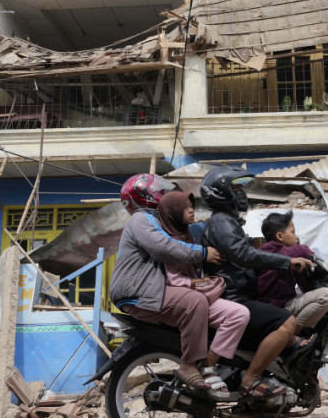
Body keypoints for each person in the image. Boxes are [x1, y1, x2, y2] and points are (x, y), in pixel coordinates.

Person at [109, 174, 245, 399]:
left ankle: (211, 367)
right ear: (147, 195)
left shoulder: (161, 222)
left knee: (237, 313)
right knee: (194, 302)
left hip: (152, 291)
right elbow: (163, 247)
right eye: (159, 190)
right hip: (138, 291)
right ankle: (189, 366)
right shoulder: (141, 219)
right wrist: (202, 253)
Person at [200, 167, 314, 400]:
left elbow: (246, 256)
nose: (241, 193)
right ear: (221, 193)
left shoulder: (229, 222)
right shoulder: (222, 221)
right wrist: (287, 261)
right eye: (236, 188)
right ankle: (251, 380)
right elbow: (244, 255)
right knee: (286, 322)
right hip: (233, 298)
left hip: (241, 295)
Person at [157, 191, 250, 400]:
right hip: (182, 299)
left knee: (239, 314)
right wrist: (193, 282)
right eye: (185, 207)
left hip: (197, 294)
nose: (191, 210)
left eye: (192, 206)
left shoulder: (188, 234)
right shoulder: (165, 240)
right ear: (172, 212)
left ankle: (209, 366)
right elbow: (169, 278)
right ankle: (195, 367)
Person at [257, 211, 328, 346]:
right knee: (326, 296)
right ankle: (287, 334)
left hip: (285, 304)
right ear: (280, 236)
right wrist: (305, 250)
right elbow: (296, 251)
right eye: (293, 232)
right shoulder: (268, 250)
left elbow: (304, 283)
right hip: (276, 306)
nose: (296, 236)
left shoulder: (288, 257)